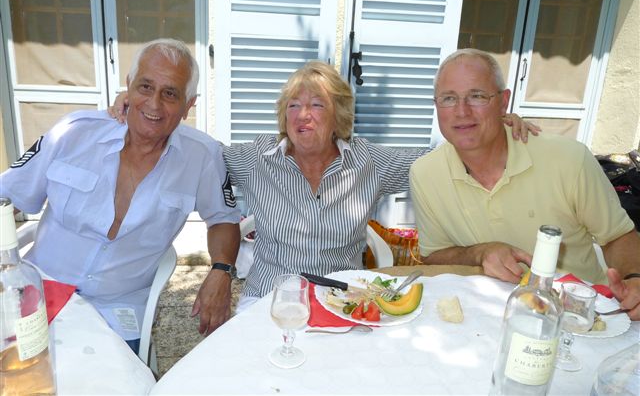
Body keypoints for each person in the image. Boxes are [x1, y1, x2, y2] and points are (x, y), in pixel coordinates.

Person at [111, 61, 536, 311]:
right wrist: (145, 110)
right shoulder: (258, 158)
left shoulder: (369, 162)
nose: (303, 115)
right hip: (268, 299)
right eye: (293, 105)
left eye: (317, 104)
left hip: (342, 301)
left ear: (338, 117)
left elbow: (442, 157)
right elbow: (198, 151)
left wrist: (491, 126)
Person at [0, 39, 241, 349]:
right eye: (145, 87)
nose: (154, 104)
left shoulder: (202, 156)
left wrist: (222, 271)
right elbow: (7, 196)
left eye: (170, 93)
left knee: (113, 377)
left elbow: (223, 218)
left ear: (188, 105)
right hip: (40, 292)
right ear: (128, 86)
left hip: (117, 310)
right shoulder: (74, 132)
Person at [410, 48, 640, 320]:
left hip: (579, 318)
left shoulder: (569, 159)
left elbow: (617, 236)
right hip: (484, 317)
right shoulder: (424, 173)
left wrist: (634, 279)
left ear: (503, 101)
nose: (462, 111)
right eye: (449, 98)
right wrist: (480, 253)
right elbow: (434, 256)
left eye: (477, 96)